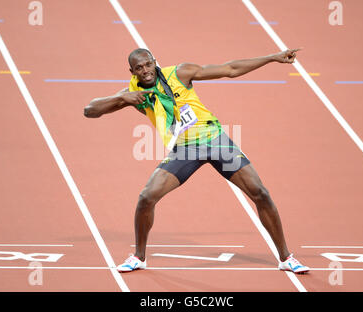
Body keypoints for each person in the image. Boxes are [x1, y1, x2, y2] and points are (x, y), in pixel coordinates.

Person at [84, 48, 309, 274]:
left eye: (148, 64)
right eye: (139, 68)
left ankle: (286, 258)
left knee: (260, 192)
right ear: (132, 71)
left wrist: (271, 58)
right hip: (185, 150)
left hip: (215, 140)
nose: (146, 71)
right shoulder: (134, 95)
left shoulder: (180, 73)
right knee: (146, 197)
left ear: (155, 62)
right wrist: (122, 97)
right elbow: (90, 111)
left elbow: (230, 69)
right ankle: (139, 257)